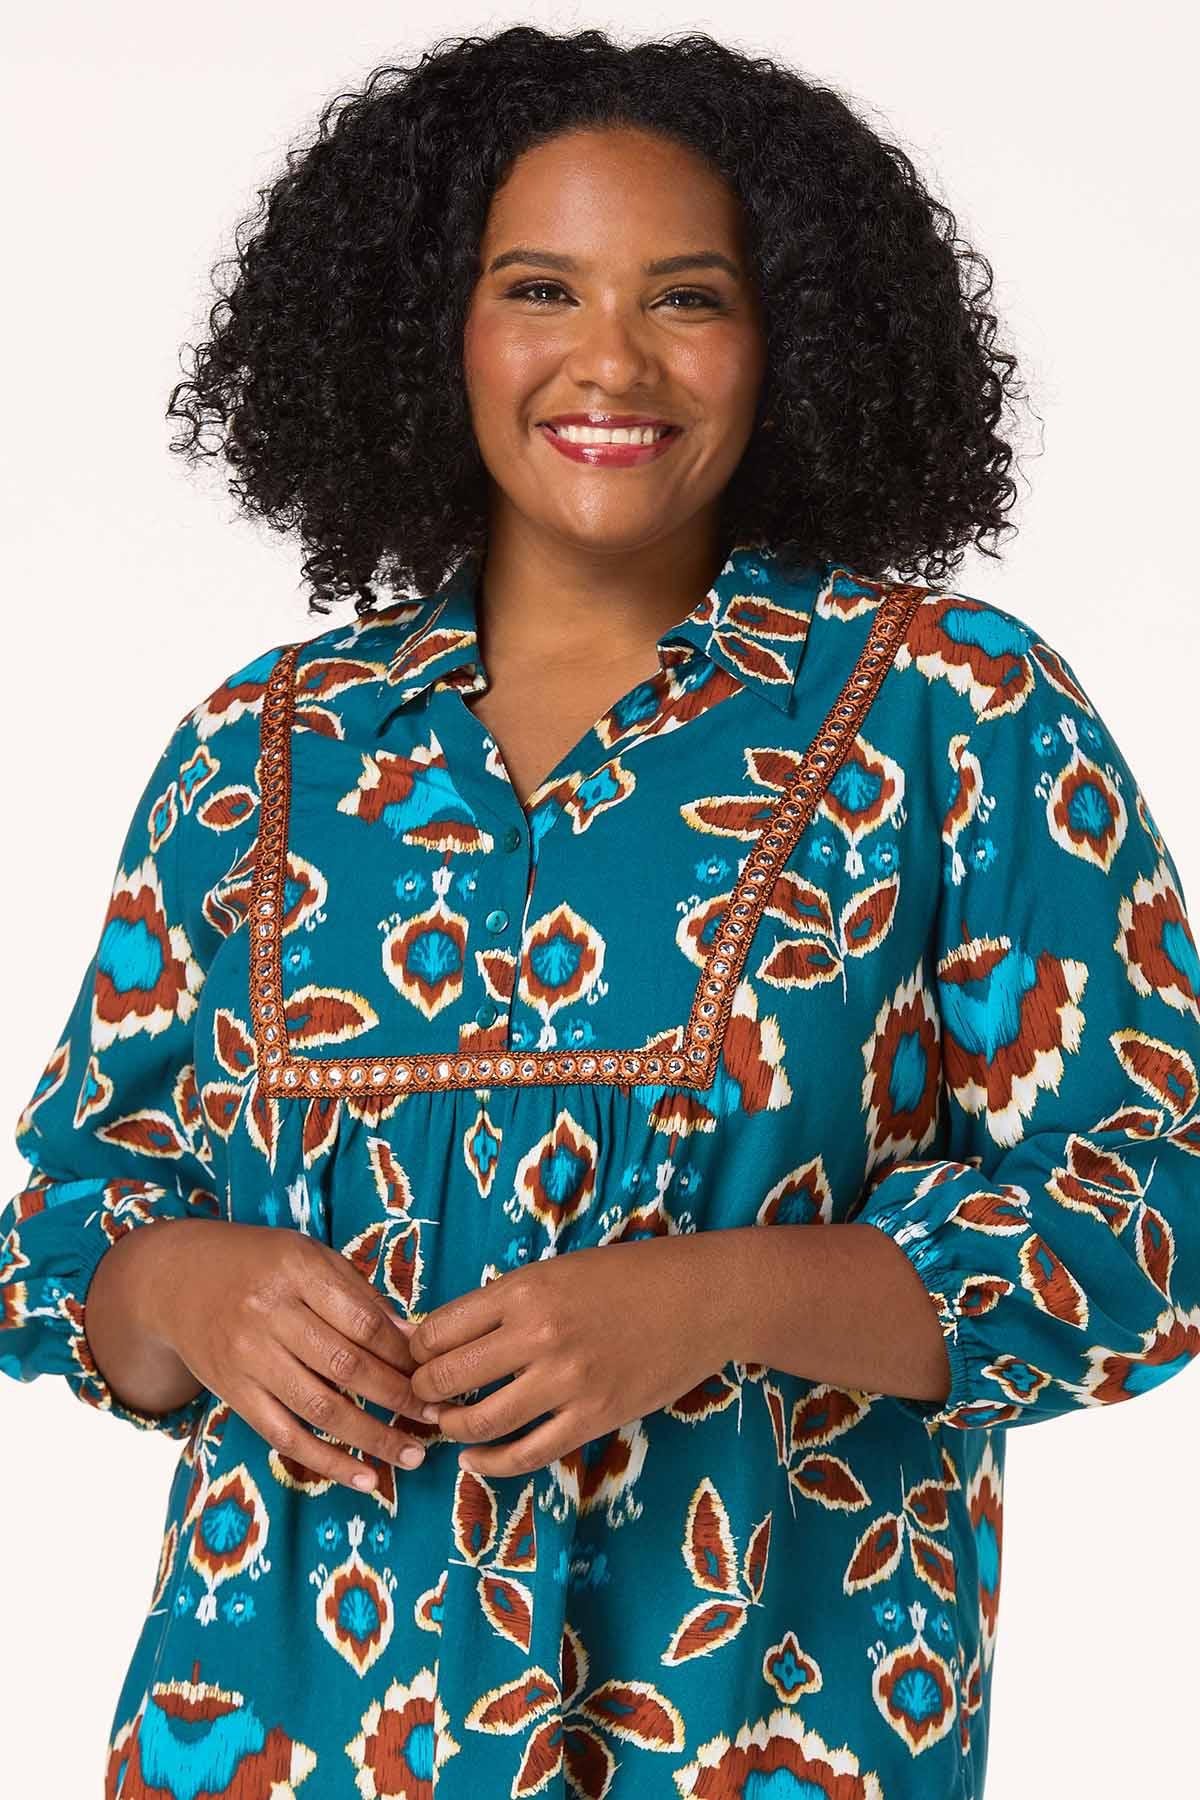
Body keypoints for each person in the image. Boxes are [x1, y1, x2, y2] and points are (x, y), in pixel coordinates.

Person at [3, 24, 1197, 1799]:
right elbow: (60, 1236)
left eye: (689, 297)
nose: (612, 358)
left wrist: (715, 1300)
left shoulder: (954, 713)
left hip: (758, 1734)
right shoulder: (259, 749)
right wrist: (183, 1280)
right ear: (439, 327)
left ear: (791, 338)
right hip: (270, 1737)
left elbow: (1150, 1215)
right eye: (539, 289)